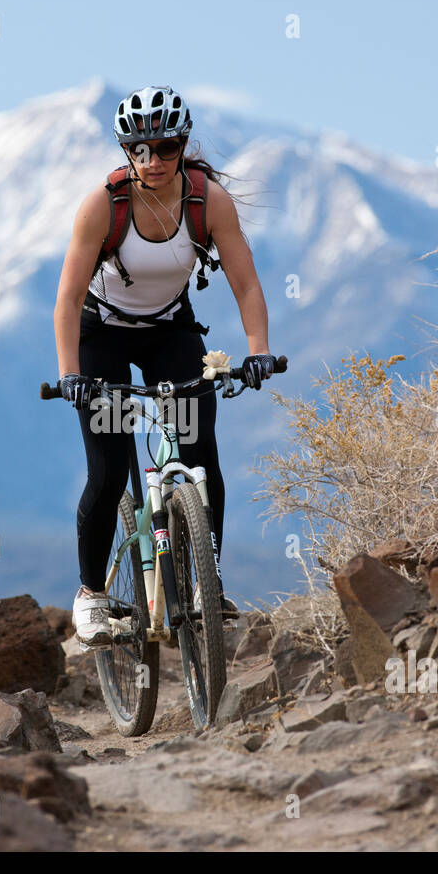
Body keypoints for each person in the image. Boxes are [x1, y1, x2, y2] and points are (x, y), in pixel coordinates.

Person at [52, 85, 276, 648]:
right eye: (139, 150)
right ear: (126, 150)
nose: (152, 161)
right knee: (107, 470)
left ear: (183, 143)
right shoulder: (103, 204)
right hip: (100, 334)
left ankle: (206, 582)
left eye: (165, 147)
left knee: (201, 458)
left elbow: (246, 283)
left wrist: (258, 351)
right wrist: (72, 374)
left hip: (169, 332)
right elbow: (68, 297)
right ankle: (91, 596)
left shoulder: (207, 203)